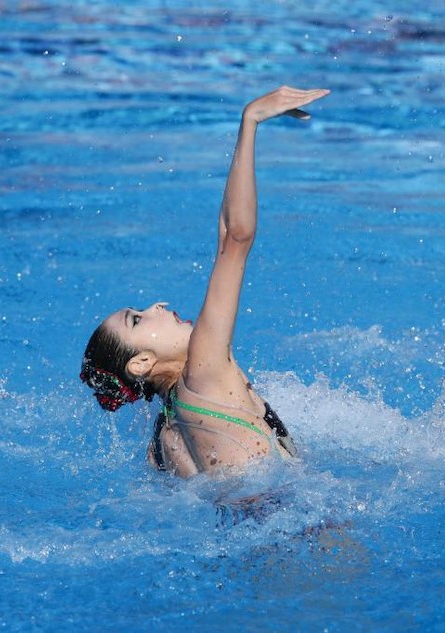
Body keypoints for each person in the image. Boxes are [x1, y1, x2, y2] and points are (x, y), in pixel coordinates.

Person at [80, 86, 330, 477]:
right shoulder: (205, 365)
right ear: (143, 362)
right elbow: (236, 237)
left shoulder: (162, 440)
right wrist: (250, 122)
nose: (157, 306)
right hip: (303, 527)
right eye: (138, 319)